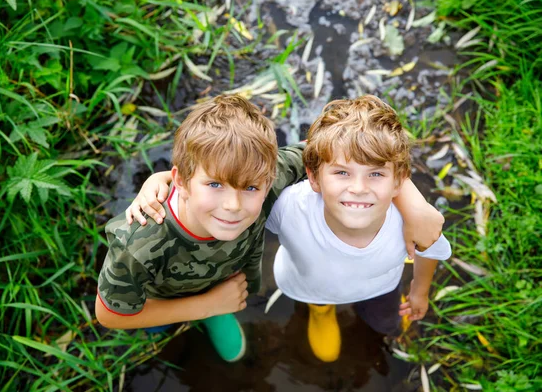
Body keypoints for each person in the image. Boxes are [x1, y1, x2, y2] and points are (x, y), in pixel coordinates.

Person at [109, 95, 445, 363]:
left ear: (268, 180)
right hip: (167, 295)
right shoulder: (141, 239)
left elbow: (348, 148)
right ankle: (200, 316)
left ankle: (218, 311)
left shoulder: (272, 184)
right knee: (158, 328)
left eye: (251, 188)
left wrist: (414, 204)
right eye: (214, 184)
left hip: (225, 282)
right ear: (181, 180)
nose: (233, 205)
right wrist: (207, 306)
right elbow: (110, 315)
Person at [265, 95, 451, 362]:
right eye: (342, 173)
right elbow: (243, 214)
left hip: (380, 287)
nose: (359, 188)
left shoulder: (410, 222)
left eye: (375, 174)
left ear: (398, 181)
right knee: (319, 304)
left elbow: (429, 249)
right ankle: (321, 312)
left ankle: (381, 322)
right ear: (314, 177)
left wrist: (419, 291)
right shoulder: (289, 207)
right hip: (313, 287)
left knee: (388, 325)